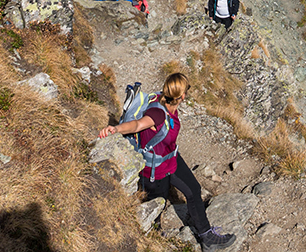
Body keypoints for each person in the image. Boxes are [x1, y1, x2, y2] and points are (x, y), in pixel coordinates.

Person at [96, 73, 233, 248]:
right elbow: (138, 124)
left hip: (171, 158)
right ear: (182, 96)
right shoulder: (158, 113)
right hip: (154, 170)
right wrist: (115, 129)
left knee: (193, 189)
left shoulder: (165, 101)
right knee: (156, 206)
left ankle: (208, 238)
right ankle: (154, 238)